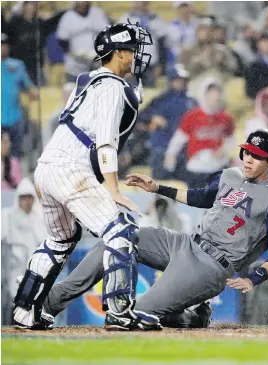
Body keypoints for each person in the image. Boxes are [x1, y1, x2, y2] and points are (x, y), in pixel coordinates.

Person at [41, 129, 268, 330]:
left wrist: (253, 279)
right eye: (246, 152)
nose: (249, 159)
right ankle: (49, 301)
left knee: (131, 317)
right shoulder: (230, 175)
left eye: (257, 156)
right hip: (185, 243)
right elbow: (200, 197)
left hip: (210, 266)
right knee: (119, 238)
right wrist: (157, 188)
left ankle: (190, 318)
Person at [12, 22, 161, 332]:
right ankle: (119, 313)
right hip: (71, 170)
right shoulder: (113, 87)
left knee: (59, 240)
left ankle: (24, 311)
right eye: (131, 50)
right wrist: (113, 187)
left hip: (47, 168)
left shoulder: (88, 80)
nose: (135, 56)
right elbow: (106, 142)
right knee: (120, 232)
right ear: (118, 53)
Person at [164, 78, 235, 188]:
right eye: (211, 93)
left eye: (218, 93)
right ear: (204, 95)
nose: (215, 97)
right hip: (196, 167)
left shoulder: (226, 118)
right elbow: (179, 138)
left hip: (217, 166)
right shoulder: (192, 116)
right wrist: (171, 154)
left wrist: (224, 150)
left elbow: (231, 139)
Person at [138, 64, 196, 180]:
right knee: (160, 183)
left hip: (184, 148)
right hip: (162, 145)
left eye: (183, 80)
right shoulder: (161, 99)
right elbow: (141, 117)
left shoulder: (192, 102)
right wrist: (153, 119)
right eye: (177, 80)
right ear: (171, 80)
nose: (180, 83)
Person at [7, 1, 64, 85]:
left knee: (42, 92)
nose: (31, 7)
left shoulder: (40, 23)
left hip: (36, 67)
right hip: (18, 66)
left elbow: (54, 19)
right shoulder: (14, 23)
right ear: (24, 6)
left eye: (34, 4)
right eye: (29, 4)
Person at [1, 33, 37, 158]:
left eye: (4, 45)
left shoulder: (17, 65)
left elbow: (29, 89)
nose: (3, 48)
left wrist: (33, 93)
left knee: (15, 156)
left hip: (15, 118)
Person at [56, 1, 110, 82]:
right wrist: (71, 53)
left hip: (97, 65)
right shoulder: (67, 17)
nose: (83, 3)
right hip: (75, 67)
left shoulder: (98, 13)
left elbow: (108, 35)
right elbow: (62, 41)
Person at [119, 2, 167, 87]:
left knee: (150, 94)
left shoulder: (156, 19)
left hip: (151, 64)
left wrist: (161, 65)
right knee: (132, 95)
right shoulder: (125, 18)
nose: (139, 3)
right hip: (132, 64)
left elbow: (161, 44)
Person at [166, 1, 197, 70]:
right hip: (177, 60)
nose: (185, 10)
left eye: (187, 7)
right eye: (182, 8)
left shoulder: (196, 24)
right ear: (177, 10)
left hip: (194, 59)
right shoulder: (172, 27)